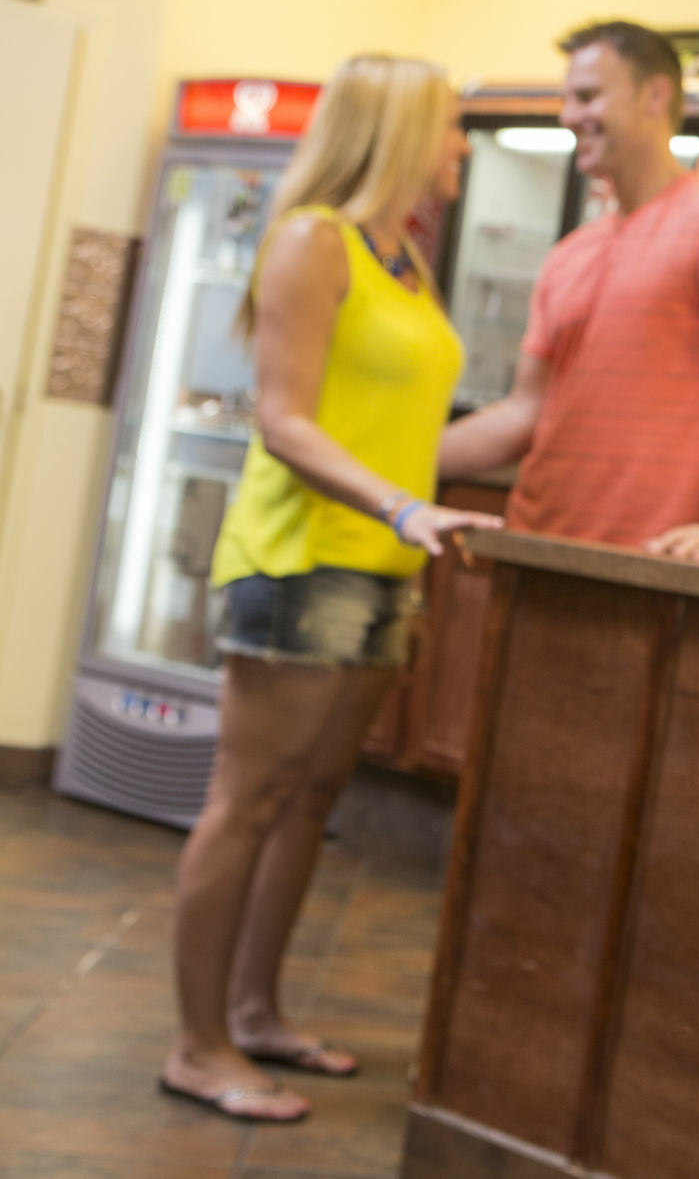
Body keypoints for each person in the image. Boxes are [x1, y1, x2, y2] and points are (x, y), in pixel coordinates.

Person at [159, 55, 503, 1123]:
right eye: (448, 127)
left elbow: (416, 432)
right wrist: (404, 506)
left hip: (380, 567)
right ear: (398, 129)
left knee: (310, 801)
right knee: (250, 800)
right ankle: (197, 1044)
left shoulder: (405, 256)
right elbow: (284, 418)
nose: (458, 147)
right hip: (300, 556)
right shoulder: (316, 239)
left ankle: (256, 1014)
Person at [437, 21, 699, 566]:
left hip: (657, 559)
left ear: (655, 95)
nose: (569, 116)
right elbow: (522, 411)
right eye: (567, 100)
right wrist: (389, 460)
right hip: (537, 545)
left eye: (587, 97)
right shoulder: (568, 254)